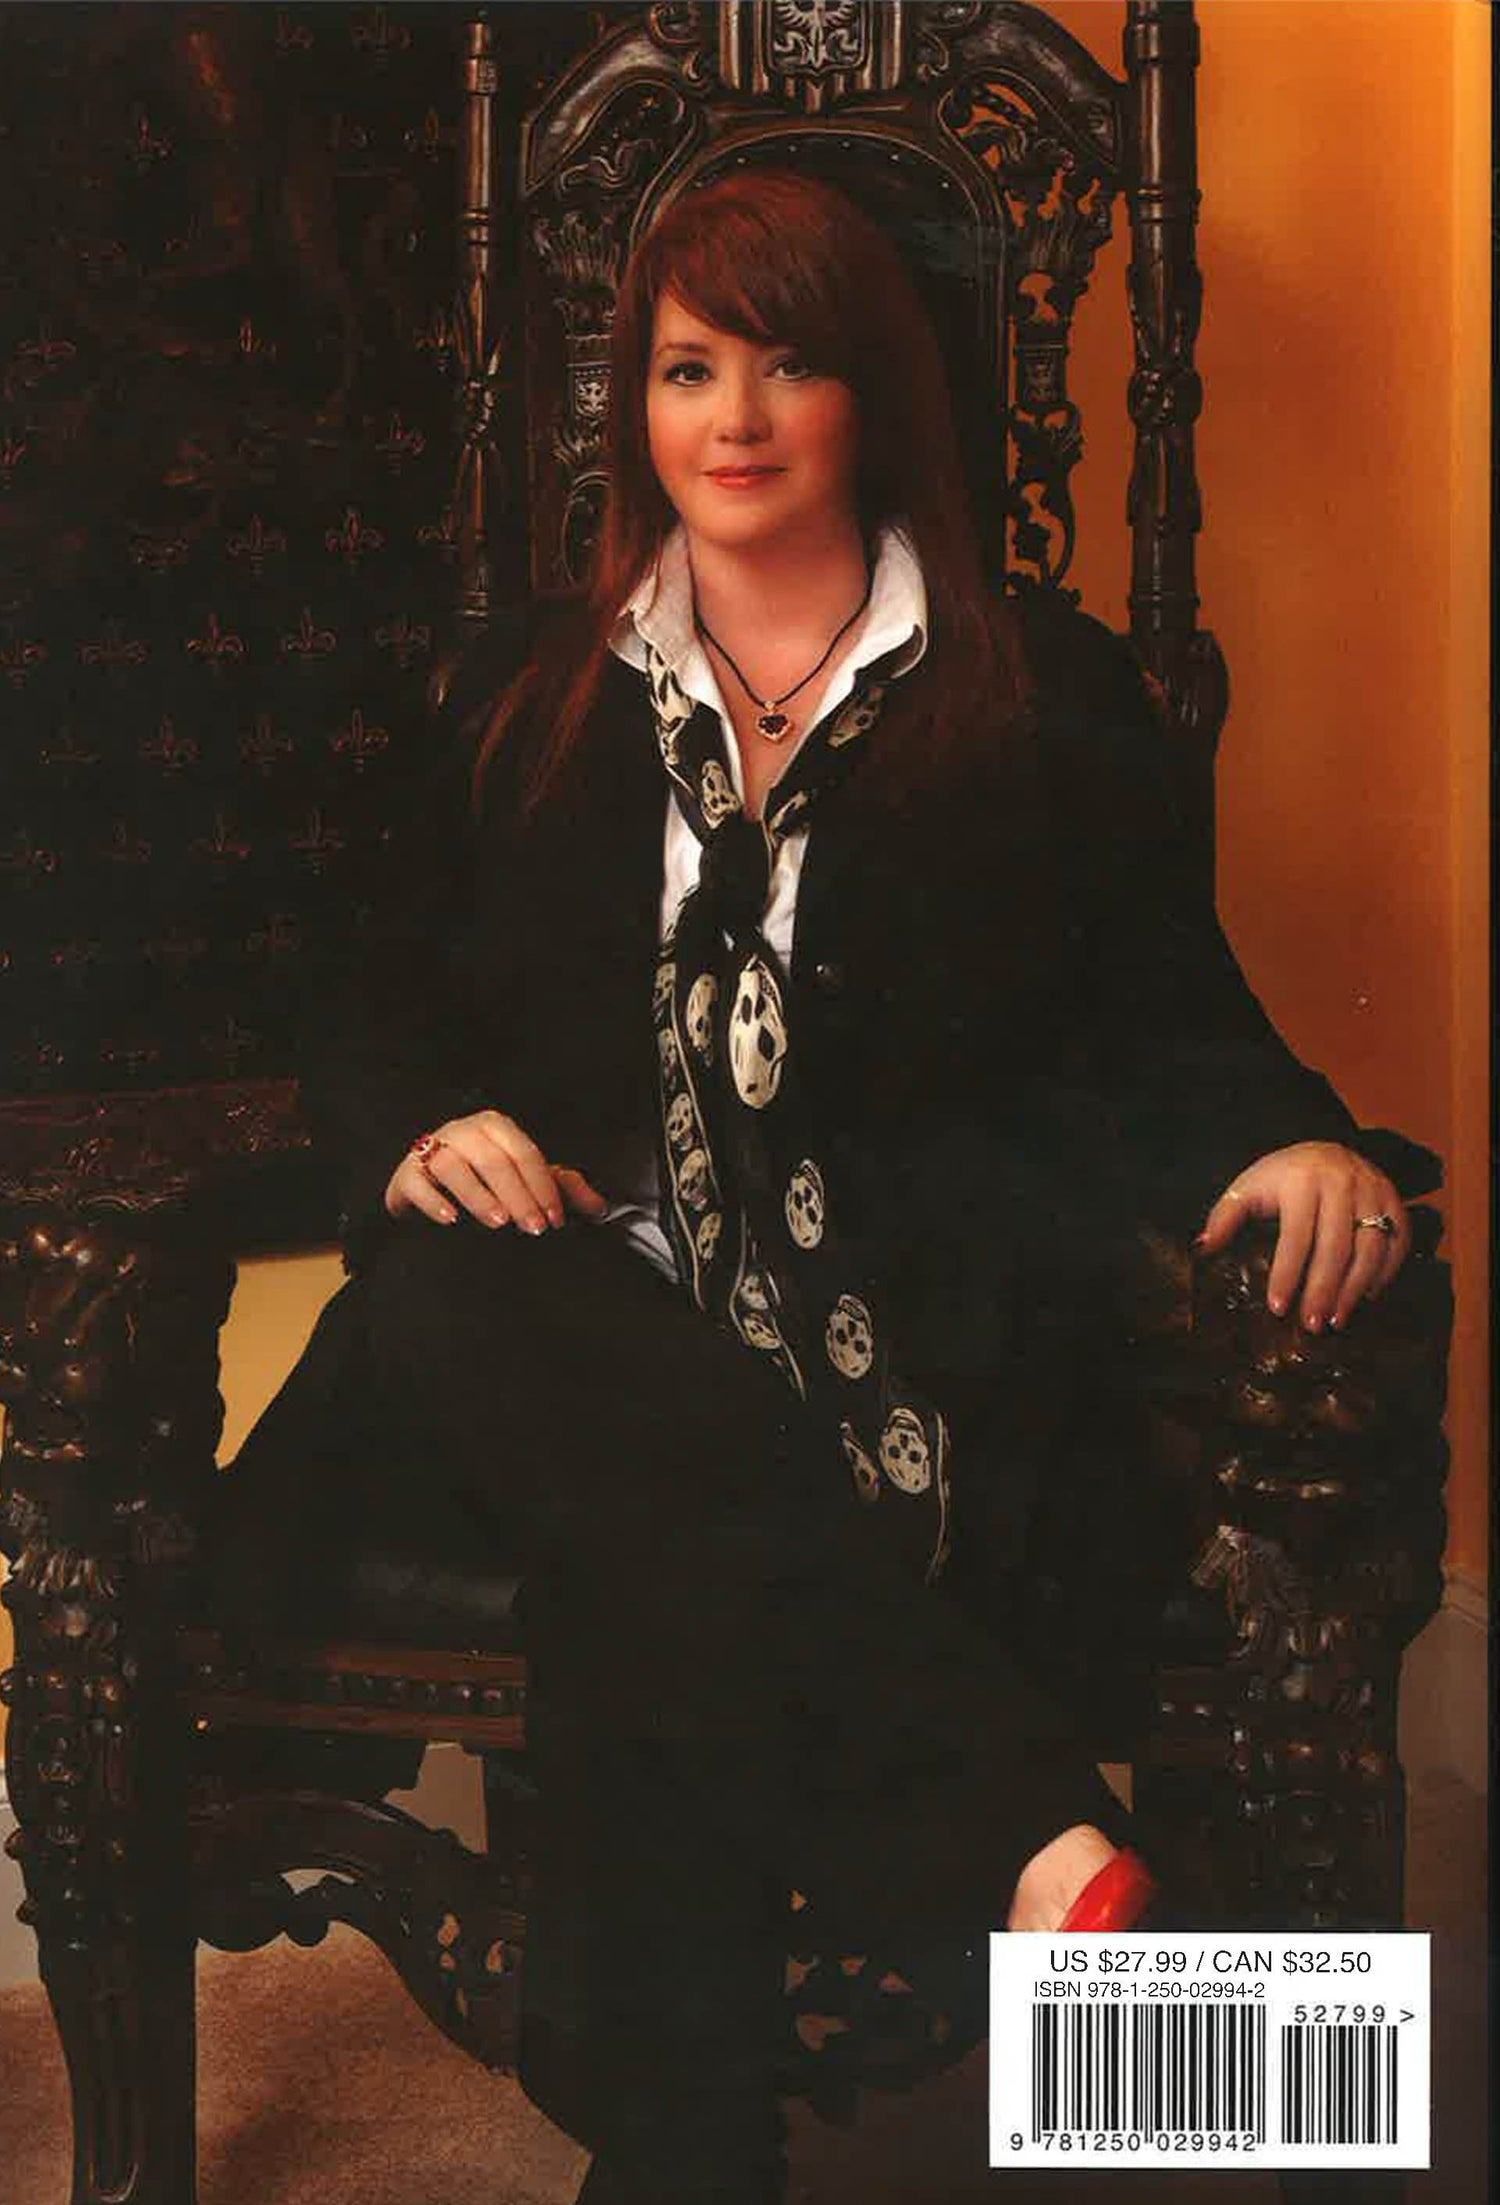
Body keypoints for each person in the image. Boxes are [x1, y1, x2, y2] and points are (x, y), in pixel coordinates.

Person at [218, 171, 1412, 2201]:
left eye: (792, 365)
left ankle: (687, 2155)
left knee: (645, 1533)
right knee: (457, 1277)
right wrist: (420, 1121)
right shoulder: (530, 684)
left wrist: (1294, 1134)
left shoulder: (1035, 687)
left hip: (890, 1342)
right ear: (635, 403)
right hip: (565, 1307)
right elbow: (369, 991)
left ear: (880, 398)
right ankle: (1030, 1834)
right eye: (690, 369)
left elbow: (1167, 1008)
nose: (738, 417)